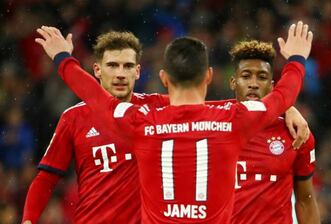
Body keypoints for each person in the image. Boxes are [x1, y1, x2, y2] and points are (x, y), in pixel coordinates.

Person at [35, 21, 313, 223]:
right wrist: (297, 61)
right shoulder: (233, 121)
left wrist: (63, 58)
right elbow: (281, 93)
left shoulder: (141, 121)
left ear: (164, 79)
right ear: (209, 77)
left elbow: (94, 96)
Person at [22, 31, 169, 224]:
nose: (120, 74)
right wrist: (28, 220)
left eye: (128, 66)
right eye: (112, 65)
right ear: (97, 70)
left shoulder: (158, 108)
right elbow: (47, 178)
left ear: (138, 71)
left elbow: (199, 105)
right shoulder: (73, 117)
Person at [229, 40, 320, 223]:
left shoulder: (295, 133)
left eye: (261, 77)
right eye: (246, 76)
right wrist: (287, 107)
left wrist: (286, 107)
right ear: (233, 82)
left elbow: (305, 201)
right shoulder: (213, 123)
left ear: (272, 86)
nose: (253, 84)